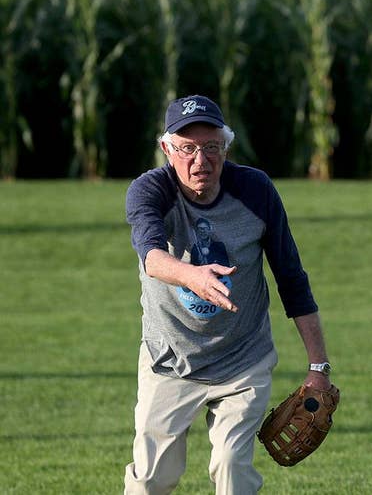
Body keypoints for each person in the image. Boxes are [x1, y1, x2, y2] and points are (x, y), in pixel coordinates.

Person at [124, 94, 332, 494]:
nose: (199, 160)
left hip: (242, 361)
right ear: (167, 149)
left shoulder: (255, 190)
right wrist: (192, 276)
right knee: (151, 479)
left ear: (226, 147)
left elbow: (292, 279)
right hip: (170, 358)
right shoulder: (149, 190)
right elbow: (151, 256)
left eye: (211, 147)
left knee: (231, 465)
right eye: (187, 148)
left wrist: (318, 367)